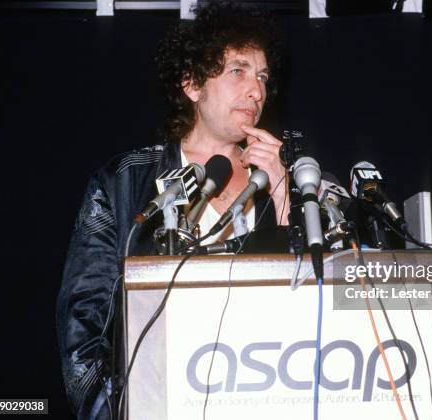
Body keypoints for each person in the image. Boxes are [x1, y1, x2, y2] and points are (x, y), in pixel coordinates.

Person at [56, 3, 287, 418]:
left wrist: (284, 195)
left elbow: (318, 298)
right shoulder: (124, 181)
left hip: (268, 395)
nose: (256, 90)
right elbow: (83, 324)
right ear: (192, 84)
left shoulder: (286, 181)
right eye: (238, 70)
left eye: (263, 76)